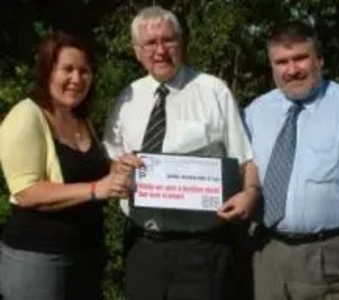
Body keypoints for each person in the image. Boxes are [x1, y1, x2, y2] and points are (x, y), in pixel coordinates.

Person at [103, 5, 259, 300]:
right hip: (142, 246)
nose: (160, 50)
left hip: (202, 250)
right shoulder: (127, 97)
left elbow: (245, 159)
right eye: (150, 43)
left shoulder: (214, 91)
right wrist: (118, 172)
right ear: (137, 51)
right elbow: (113, 161)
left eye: (168, 40)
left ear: (181, 43)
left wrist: (250, 193)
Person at [245, 21, 339, 300]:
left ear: (319, 60)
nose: (292, 69)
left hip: (329, 258)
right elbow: (241, 171)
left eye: (300, 57)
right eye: (281, 62)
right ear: (272, 66)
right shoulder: (257, 111)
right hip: (266, 256)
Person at [0, 31, 129, 300]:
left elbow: (93, 177)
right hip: (40, 260)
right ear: (48, 71)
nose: (77, 79)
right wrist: (96, 189)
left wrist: (120, 169)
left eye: (85, 71)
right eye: (67, 69)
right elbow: (27, 192)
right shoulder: (27, 115)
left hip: (86, 256)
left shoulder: (82, 119)